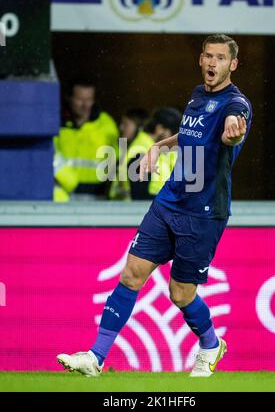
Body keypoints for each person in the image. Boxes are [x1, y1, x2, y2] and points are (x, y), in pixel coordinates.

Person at [57, 34, 252, 377]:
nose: (211, 63)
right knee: (131, 275)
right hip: (168, 201)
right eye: (207, 56)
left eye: (220, 58)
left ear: (232, 64)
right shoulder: (196, 97)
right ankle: (96, 357)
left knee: (181, 293)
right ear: (201, 59)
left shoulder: (236, 104)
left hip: (203, 212)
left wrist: (234, 133)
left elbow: (229, 132)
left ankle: (210, 344)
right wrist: (160, 145)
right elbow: (192, 135)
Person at [54, 79, 119, 201]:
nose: (85, 105)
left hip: (98, 197)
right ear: (69, 98)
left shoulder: (106, 125)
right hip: (63, 195)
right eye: (80, 99)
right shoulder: (57, 124)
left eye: (89, 99)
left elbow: (118, 160)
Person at [109, 107, 182, 200]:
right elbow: (140, 196)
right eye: (173, 134)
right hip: (133, 212)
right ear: (159, 129)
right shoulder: (142, 152)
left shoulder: (156, 150)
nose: (174, 140)